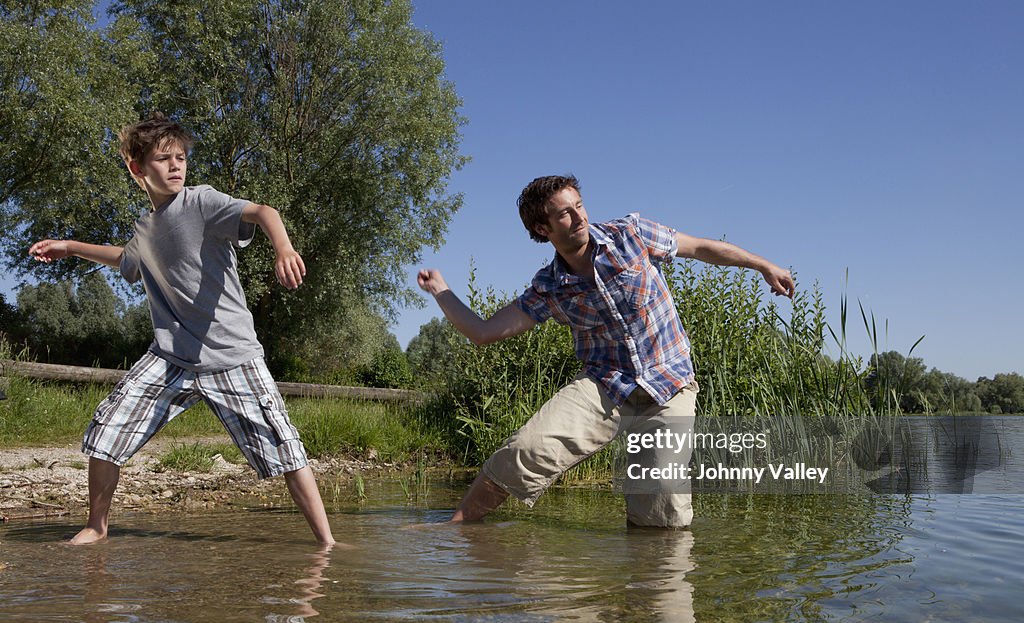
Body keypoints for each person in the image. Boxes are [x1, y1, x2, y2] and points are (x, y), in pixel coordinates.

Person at [29, 113, 335, 546]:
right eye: (162, 159)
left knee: (286, 450)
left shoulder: (202, 202)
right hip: (171, 357)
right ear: (137, 168)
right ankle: (96, 527)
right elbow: (127, 259)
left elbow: (264, 211)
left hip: (232, 357)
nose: (175, 166)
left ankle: (326, 544)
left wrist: (283, 247)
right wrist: (70, 247)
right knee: (106, 432)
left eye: (180, 158)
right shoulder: (146, 229)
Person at [417, 175, 794, 527]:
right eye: (564, 212)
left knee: (664, 512)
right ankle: (456, 530)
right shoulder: (549, 287)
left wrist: (761, 265)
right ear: (542, 228)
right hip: (605, 386)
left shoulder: (630, 234)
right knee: (525, 451)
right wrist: (441, 291)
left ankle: (645, 582)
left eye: (579, 205)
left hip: (670, 386)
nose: (578, 216)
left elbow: (700, 248)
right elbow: (485, 332)